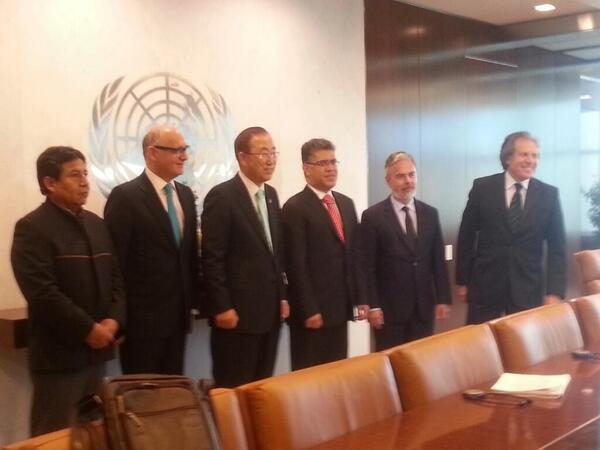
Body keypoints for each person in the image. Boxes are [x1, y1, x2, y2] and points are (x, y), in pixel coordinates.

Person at [11, 146, 125, 436]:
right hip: (59, 356)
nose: (85, 182)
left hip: (97, 353)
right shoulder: (32, 228)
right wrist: (88, 329)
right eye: (75, 175)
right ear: (50, 183)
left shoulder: (97, 224)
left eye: (85, 174)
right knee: (54, 435)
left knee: (94, 434)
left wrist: (114, 320)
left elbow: (116, 279)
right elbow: (42, 293)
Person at [104, 125, 200, 375]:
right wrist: (119, 318)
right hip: (141, 322)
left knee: (174, 390)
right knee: (142, 392)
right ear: (152, 153)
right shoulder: (125, 197)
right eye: (176, 150)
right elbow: (115, 263)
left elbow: (188, 256)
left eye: (185, 149)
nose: (184, 156)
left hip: (178, 319)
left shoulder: (185, 195)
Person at [201, 126, 288, 388]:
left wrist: (282, 296)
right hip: (237, 316)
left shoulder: (270, 195)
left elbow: (275, 254)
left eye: (273, 152)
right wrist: (222, 307)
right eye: (263, 153)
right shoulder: (222, 196)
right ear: (242, 157)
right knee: (234, 389)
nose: (270, 160)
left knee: (262, 388)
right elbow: (212, 259)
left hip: (269, 314)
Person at [456, 131, 567, 324]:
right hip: (485, 285)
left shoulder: (549, 195)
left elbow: (558, 248)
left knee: (525, 341)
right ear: (508, 157)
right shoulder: (483, 188)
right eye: (524, 154)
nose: (530, 160)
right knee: (479, 340)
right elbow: (466, 236)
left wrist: (554, 291)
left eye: (535, 155)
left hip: (528, 288)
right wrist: (463, 280)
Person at [282, 138, 367, 370]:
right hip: (312, 312)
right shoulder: (295, 207)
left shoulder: (346, 203)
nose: (331, 168)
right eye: (323, 163)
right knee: (309, 376)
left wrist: (361, 297)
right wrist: (309, 309)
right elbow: (296, 265)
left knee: (336, 374)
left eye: (333, 162)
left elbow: (355, 255)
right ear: (306, 169)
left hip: (341, 308)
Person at [360, 152, 451, 350]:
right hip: (389, 310)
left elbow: (437, 260)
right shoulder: (372, 217)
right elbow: (367, 266)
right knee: (390, 362)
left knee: (421, 359)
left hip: (423, 308)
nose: (408, 181)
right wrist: (373, 305)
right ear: (388, 180)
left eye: (411, 174)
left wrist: (443, 298)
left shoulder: (430, 213)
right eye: (400, 176)